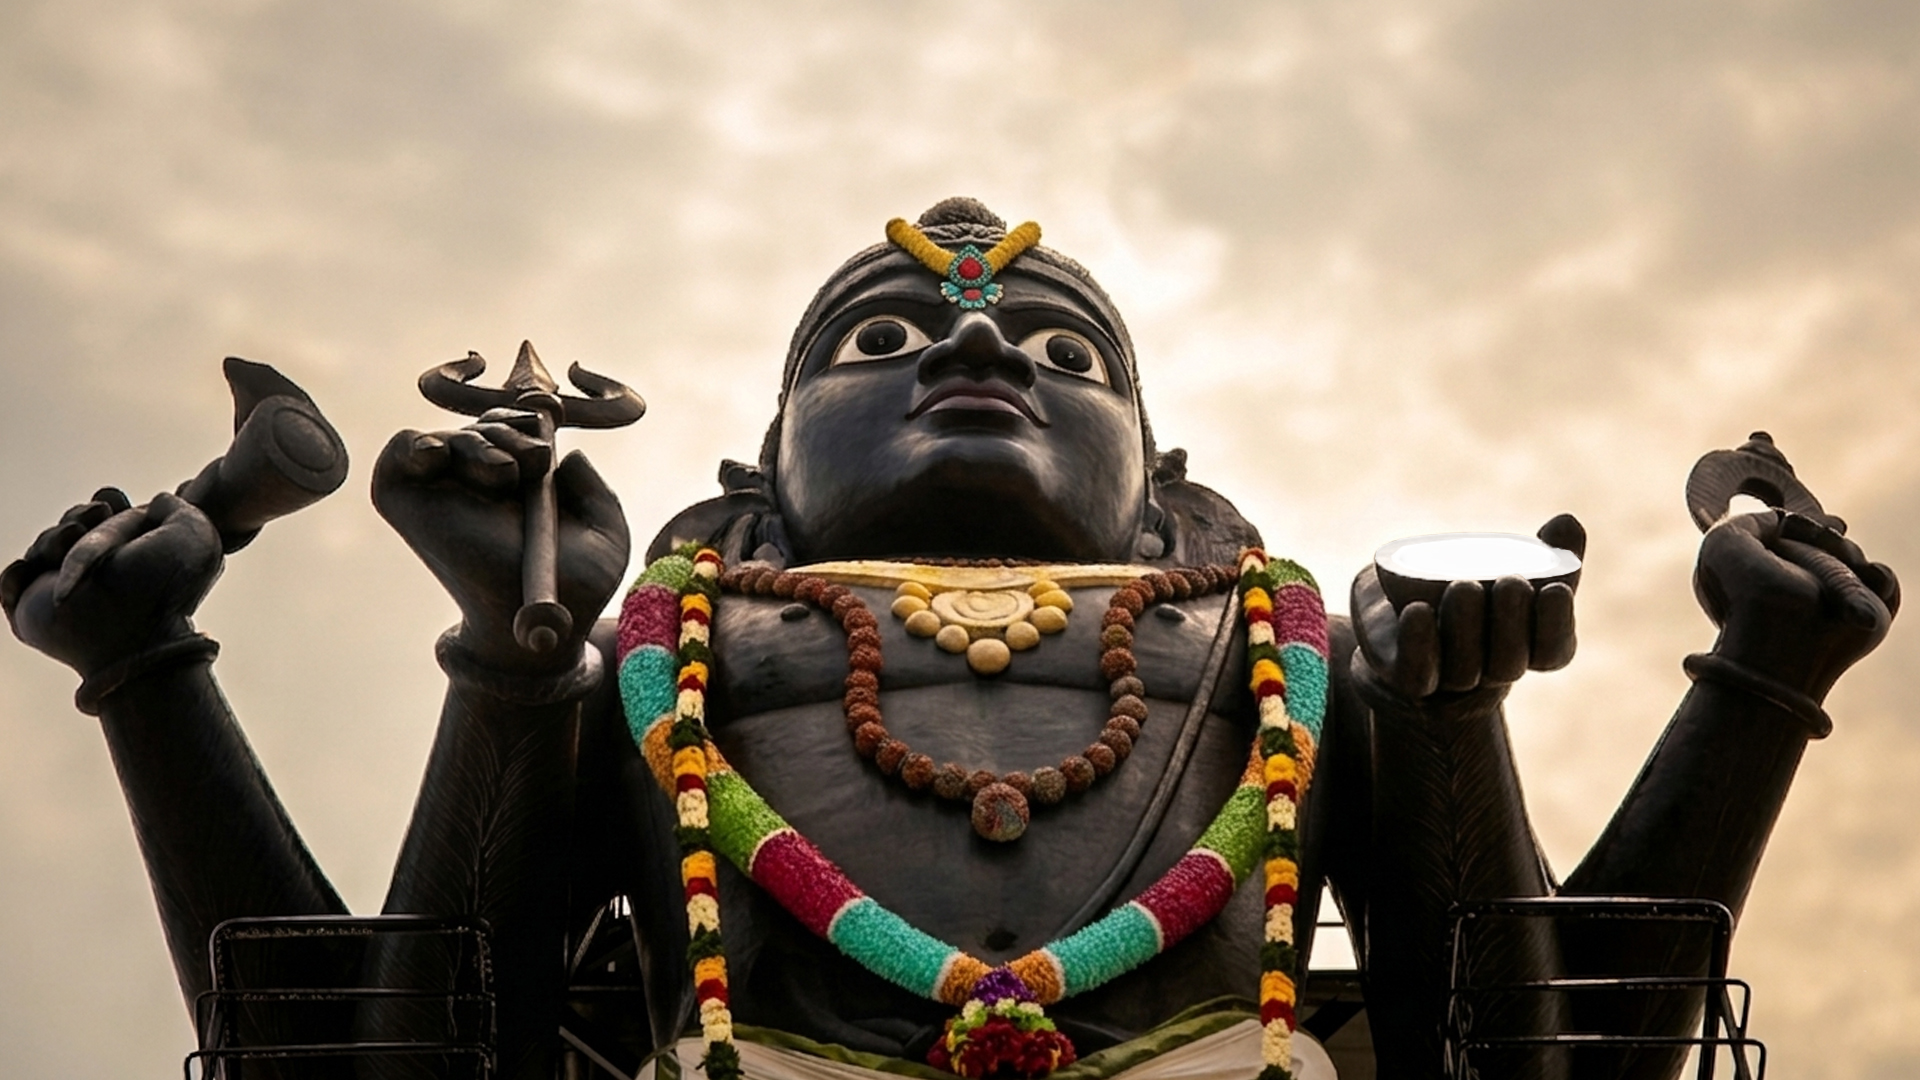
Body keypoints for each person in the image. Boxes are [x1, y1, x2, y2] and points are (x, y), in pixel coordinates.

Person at [3, 198, 1897, 1080]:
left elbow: (1543, 1077)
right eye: (879, 341)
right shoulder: (664, 660)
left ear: (1163, 486)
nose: (980, 340)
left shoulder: (1292, 658)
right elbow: (381, 1073)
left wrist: (1722, 689)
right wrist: (514, 660)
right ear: (762, 478)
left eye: (1072, 351)